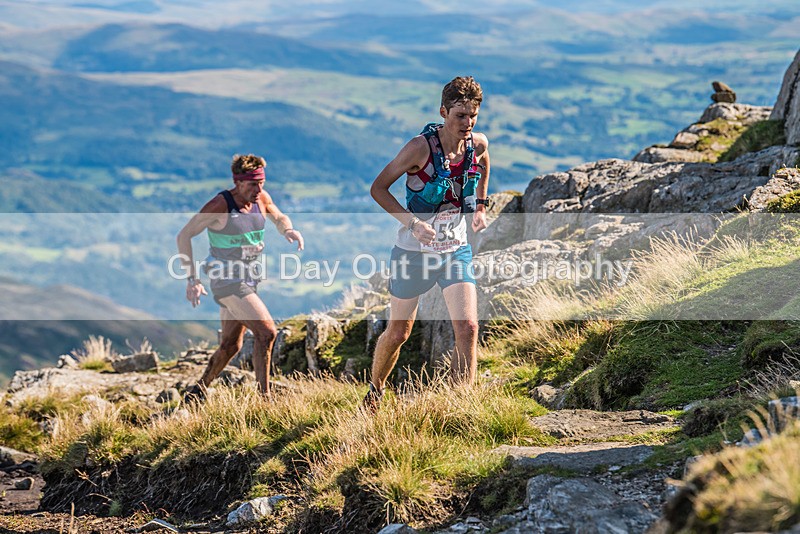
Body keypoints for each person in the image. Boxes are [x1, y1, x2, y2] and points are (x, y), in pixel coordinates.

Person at [365, 76, 491, 411]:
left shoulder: (476, 144)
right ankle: (375, 392)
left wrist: (480, 206)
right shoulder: (419, 148)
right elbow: (378, 188)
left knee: (468, 328)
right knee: (398, 334)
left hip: (454, 250)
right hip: (413, 253)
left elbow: (484, 163)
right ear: (443, 111)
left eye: (472, 116)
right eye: (459, 116)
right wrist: (413, 222)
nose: (467, 123)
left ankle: (460, 407)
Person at [176, 154, 303, 399]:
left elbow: (279, 216)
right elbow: (184, 235)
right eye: (253, 184)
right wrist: (192, 279)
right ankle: (264, 399)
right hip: (227, 281)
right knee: (267, 333)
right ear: (238, 182)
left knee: (230, 345)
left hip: (248, 279)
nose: (259, 189)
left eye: (262, 182)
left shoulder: (261, 199)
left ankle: (197, 393)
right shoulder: (220, 205)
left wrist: (288, 230)